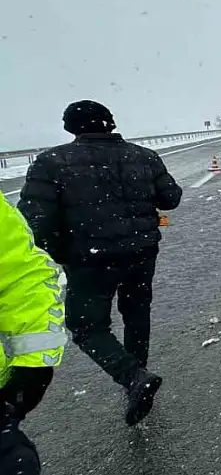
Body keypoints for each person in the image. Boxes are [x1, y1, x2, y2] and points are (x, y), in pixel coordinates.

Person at [18, 100, 182, 426]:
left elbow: (34, 223)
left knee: (86, 326)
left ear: (70, 128)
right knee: (136, 313)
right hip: (141, 253)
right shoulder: (144, 157)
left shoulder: (51, 162)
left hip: (90, 261)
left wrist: (62, 252)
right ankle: (137, 375)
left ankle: (134, 376)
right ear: (110, 122)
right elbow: (171, 198)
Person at [0, 197, 66, 475]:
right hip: (128, 250)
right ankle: (135, 372)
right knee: (130, 311)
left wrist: (35, 365)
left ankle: (133, 373)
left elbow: (19, 273)